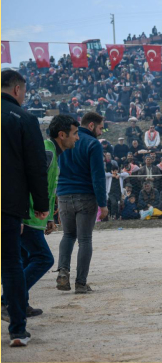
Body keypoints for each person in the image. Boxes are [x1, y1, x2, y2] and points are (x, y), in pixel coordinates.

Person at [2, 115, 80, 320]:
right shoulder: (46, 151)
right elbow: (27, 181)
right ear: (62, 135)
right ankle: (7, 300)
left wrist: (49, 219)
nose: (77, 138)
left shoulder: (51, 151)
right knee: (43, 258)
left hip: (32, 217)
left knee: (25, 259)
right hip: (26, 217)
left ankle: (21, 303)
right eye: (75, 133)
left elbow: (47, 187)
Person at [2, 69, 50, 347]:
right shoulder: (24, 119)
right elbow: (35, 166)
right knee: (11, 265)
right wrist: (41, 205)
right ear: (18, 89)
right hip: (7, 203)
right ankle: (18, 331)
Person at [56, 111, 109, 294]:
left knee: (68, 236)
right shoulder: (93, 144)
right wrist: (103, 204)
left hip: (63, 195)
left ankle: (62, 272)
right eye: (101, 128)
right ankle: (80, 283)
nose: (101, 132)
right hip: (85, 196)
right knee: (84, 239)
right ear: (92, 125)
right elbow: (98, 177)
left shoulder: (62, 141)